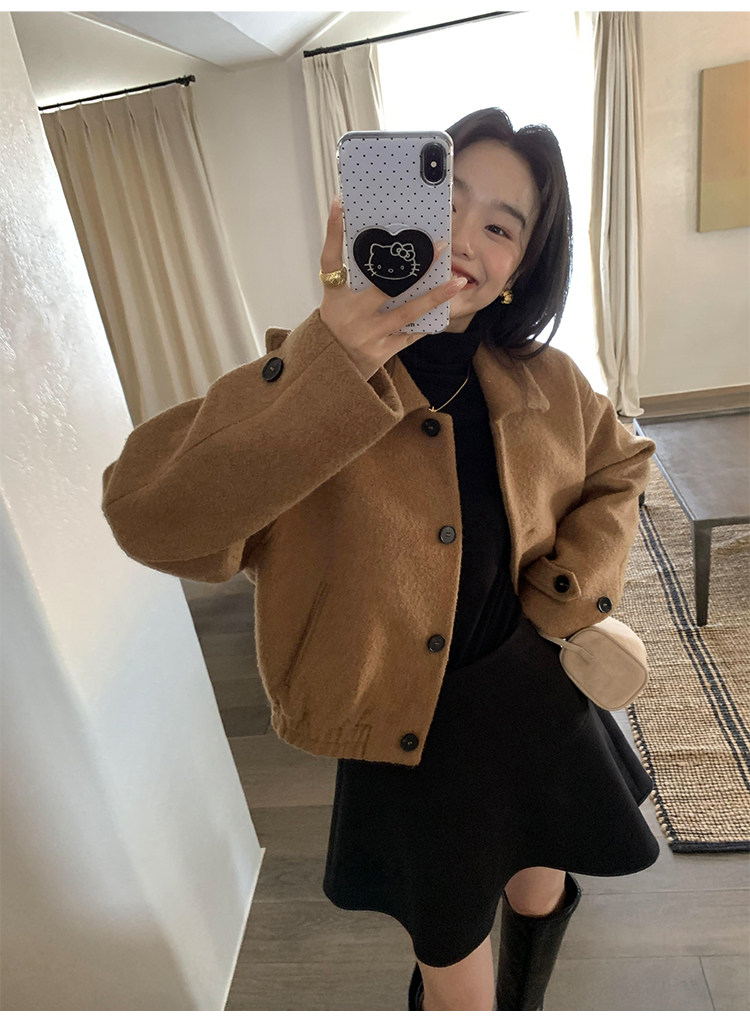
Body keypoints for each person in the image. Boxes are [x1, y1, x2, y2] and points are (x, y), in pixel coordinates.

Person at [101, 107, 660, 1012]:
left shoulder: (548, 381)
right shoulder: (306, 384)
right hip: (413, 730)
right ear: (393, 212)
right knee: (453, 954)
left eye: (501, 226)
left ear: (520, 269)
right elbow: (148, 518)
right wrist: (331, 358)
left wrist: (567, 590)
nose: (464, 237)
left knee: (541, 879)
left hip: (533, 691)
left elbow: (622, 464)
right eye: (447, 200)